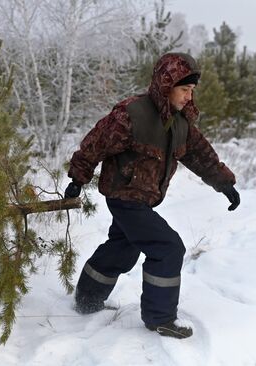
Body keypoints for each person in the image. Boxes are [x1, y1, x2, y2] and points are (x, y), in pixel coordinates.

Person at [64, 52, 240, 339]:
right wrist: (78, 177)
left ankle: (87, 299)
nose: (188, 96)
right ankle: (161, 318)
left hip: (144, 198)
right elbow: (96, 143)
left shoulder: (180, 123)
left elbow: (201, 155)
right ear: (165, 84)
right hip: (124, 195)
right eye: (184, 89)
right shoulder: (132, 114)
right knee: (168, 248)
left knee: (123, 247)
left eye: (191, 90)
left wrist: (224, 184)